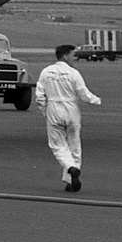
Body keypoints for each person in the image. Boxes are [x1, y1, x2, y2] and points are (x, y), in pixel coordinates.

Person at [34, 44, 101, 193]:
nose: (75, 58)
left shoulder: (46, 72)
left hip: (54, 108)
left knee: (57, 145)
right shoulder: (74, 73)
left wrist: (45, 111)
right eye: (73, 55)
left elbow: (39, 96)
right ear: (65, 56)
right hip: (71, 110)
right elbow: (83, 93)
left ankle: (71, 169)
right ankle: (72, 176)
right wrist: (96, 100)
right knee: (74, 145)